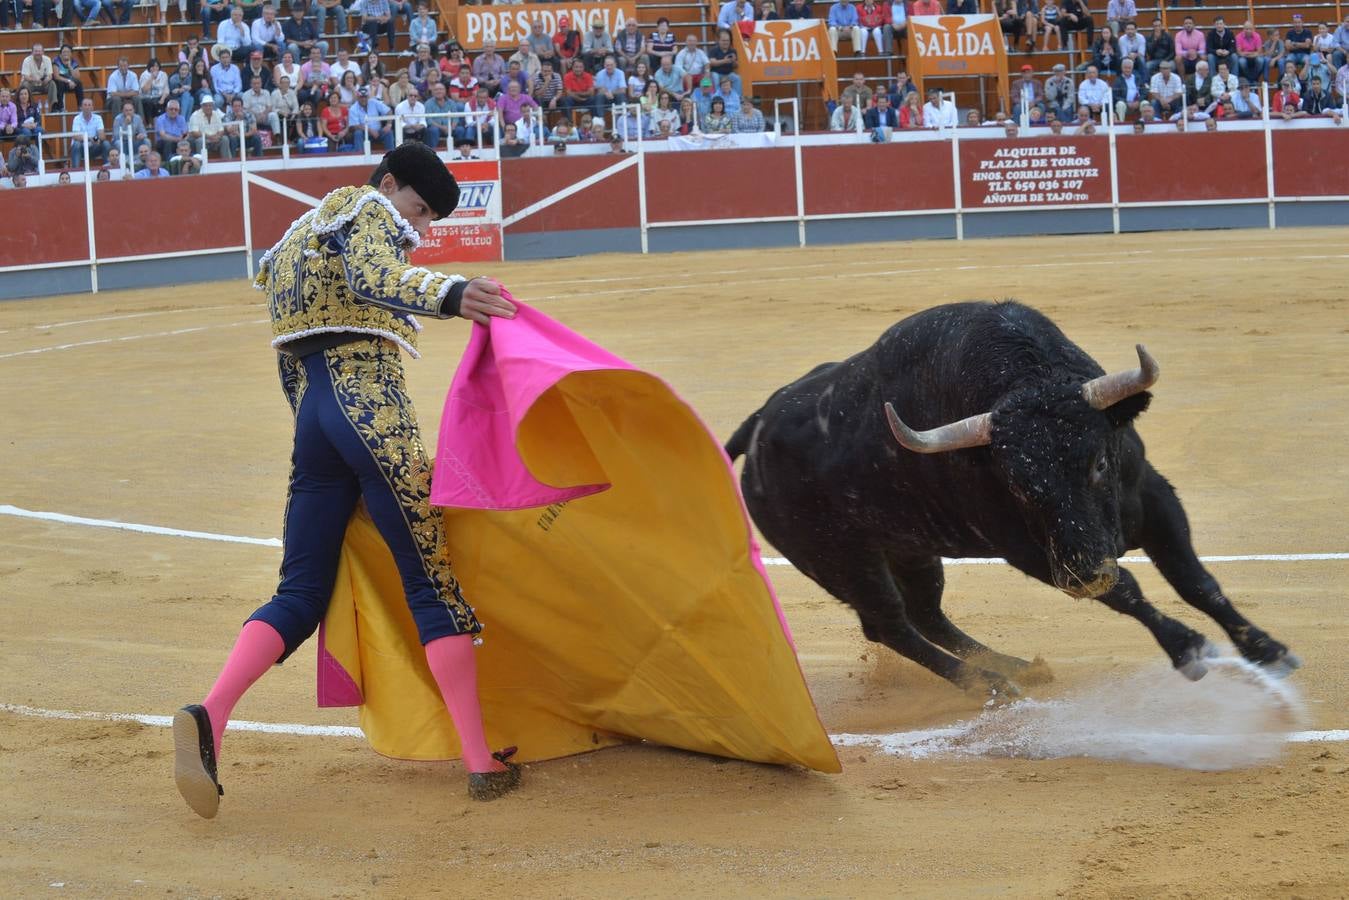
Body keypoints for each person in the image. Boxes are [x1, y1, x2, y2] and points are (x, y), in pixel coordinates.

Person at [175, 143, 522, 821]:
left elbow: (292, 362)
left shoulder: (298, 241)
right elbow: (372, 277)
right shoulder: (363, 208)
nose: (417, 232)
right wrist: (454, 293)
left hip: (312, 418)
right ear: (388, 184)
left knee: (300, 590)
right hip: (370, 413)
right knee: (430, 581)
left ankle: (210, 714)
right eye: (417, 211)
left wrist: (328, 447)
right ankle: (481, 762)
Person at [70, 97, 111, 165]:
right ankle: (75, 171)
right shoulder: (77, 118)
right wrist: (90, 138)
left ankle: (108, 168)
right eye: (85, 105)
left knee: (106, 144)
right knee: (76, 144)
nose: (87, 107)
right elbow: (75, 136)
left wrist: (95, 139)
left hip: (94, 147)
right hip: (81, 148)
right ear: (81, 107)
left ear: (92, 107)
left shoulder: (98, 118)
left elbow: (102, 136)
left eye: (89, 105)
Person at [707, 29, 741, 96]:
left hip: (728, 74)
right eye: (723, 41)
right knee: (715, 77)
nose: (726, 42)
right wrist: (724, 61)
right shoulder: (713, 50)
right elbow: (712, 63)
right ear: (719, 41)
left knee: (737, 78)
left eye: (727, 41)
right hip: (717, 73)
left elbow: (736, 66)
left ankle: (737, 99)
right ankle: (717, 98)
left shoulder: (733, 51)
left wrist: (734, 61)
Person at [54, 45, 85, 113]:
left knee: (79, 83)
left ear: (71, 53)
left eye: (68, 52)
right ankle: (61, 107)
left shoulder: (73, 62)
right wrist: (68, 81)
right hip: (60, 83)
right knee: (59, 83)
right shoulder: (57, 60)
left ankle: (80, 106)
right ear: (60, 53)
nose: (66, 53)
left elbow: (77, 77)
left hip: (70, 84)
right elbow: (56, 76)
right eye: (64, 52)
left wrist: (70, 67)